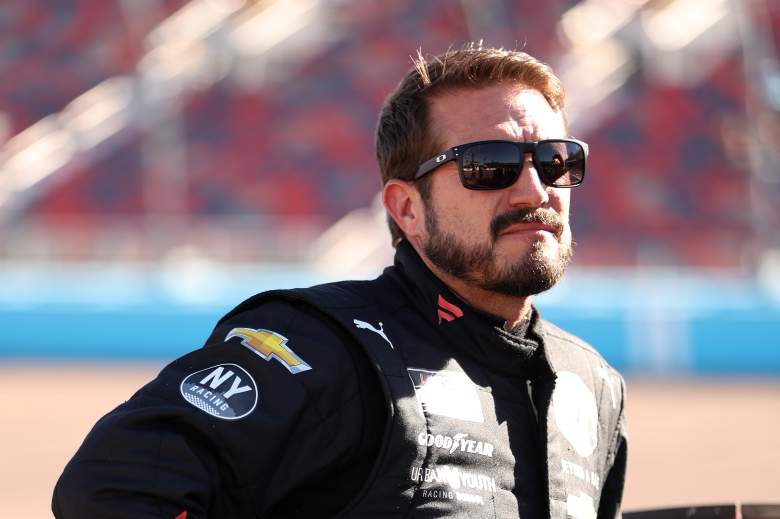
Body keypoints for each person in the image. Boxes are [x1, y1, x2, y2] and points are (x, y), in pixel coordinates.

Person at [53, 45, 627, 519]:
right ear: (407, 210)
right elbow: (111, 494)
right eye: (490, 166)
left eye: (556, 161)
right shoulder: (318, 347)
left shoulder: (593, 386)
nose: (534, 192)